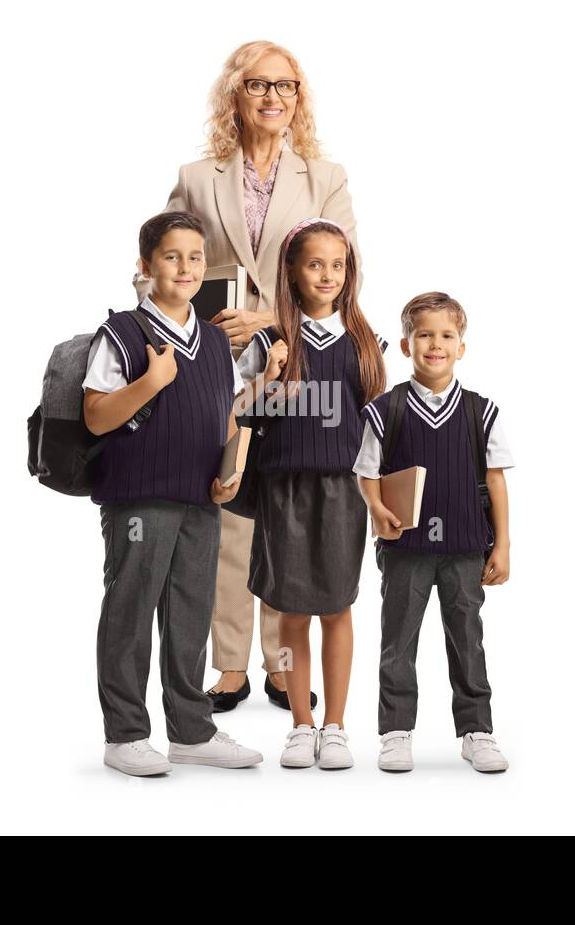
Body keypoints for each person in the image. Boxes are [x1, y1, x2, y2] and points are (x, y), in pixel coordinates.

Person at [138, 41, 365, 712]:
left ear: (300, 98)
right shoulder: (198, 175)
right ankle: (231, 668)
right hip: (217, 363)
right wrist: (192, 312)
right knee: (229, 508)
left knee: (287, 509)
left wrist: (269, 316)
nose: (274, 97)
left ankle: (281, 665)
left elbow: (343, 270)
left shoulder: (324, 177)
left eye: (287, 86)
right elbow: (167, 261)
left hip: (298, 359)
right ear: (234, 95)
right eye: (259, 85)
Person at [82, 210, 262, 776]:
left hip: (200, 499)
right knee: (131, 610)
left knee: (189, 612)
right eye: (171, 257)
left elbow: (226, 414)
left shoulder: (212, 341)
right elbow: (94, 417)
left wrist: (230, 471)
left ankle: (190, 730)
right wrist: (151, 382)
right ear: (145, 266)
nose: (185, 268)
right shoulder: (123, 335)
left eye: (194, 258)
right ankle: (125, 735)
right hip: (140, 496)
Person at [237, 218, 386, 768]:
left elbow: (377, 430)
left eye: (338, 265)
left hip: (343, 491)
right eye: (315, 264)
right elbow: (237, 413)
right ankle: (300, 723)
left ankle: (336, 725)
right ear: (292, 273)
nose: (327, 275)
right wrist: (272, 380)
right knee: (290, 610)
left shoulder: (364, 343)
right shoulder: (270, 341)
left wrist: (381, 496)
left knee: (338, 608)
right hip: (283, 489)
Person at [353, 292, 515, 774]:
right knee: (398, 638)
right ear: (406, 345)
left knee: (467, 638)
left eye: (447, 335)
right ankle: (395, 731)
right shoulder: (386, 411)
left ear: (461, 346)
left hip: (466, 546)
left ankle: (477, 731)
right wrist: (377, 508)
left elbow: (496, 479)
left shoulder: (479, 411)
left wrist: (502, 544)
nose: (435, 344)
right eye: (424, 334)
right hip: (407, 548)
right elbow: (366, 472)